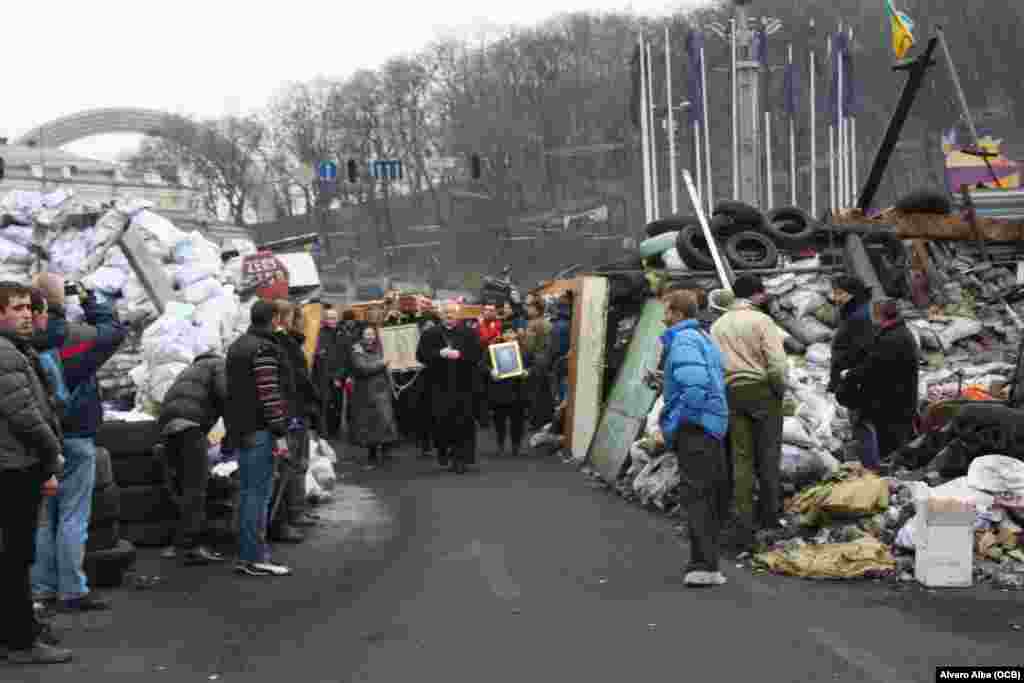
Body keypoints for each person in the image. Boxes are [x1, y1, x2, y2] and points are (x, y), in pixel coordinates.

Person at [31, 274, 129, 613]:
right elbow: (115, 331)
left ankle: (42, 588)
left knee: (44, 517)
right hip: (76, 435)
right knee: (73, 514)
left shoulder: (21, 342)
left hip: (37, 438)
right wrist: (89, 299)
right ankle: (72, 590)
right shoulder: (79, 337)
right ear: (60, 302)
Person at [0, 281, 72, 664]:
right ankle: (20, 642)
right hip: (14, 468)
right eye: (16, 308)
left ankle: (15, 633)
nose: (26, 314)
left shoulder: (15, 350)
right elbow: (25, 414)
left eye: (28, 307)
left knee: (12, 557)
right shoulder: (4, 353)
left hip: (13, 463)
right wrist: (52, 452)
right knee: (15, 558)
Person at [656, 291, 730, 587]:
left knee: (697, 496)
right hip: (711, 427)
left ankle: (702, 565)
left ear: (676, 313)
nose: (663, 316)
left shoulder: (684, 340)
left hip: (696, 428)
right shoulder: (701, 336)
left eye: (666, 310)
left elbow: (696, 385)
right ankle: (708, 564)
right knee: (709, 496)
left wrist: (678, 419)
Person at [710, 274, 787, 550]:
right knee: (767, 455)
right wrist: (779, 390)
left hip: (731, 393)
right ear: (754, 295)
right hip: (762, 390)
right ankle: (769, 516)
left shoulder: (718, 326)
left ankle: (743, 517)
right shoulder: (762, 321)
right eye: (762, 294)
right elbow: (777, 363)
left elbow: (715, 365)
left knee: (740, 457)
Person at [225, 300, 293, 577]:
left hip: (241, 430)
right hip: (260, 431)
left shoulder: (238, 346)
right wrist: (279, 432)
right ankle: (255, 557)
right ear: (274, 319)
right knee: (258, 495)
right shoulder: (263, 349)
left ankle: (246, 555)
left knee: (247, 494)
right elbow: (269, 393)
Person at [157, 350, 232, 565]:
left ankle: (177, 543)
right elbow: (226, 395)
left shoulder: (188, 370)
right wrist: (232, 436)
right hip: (190, 427)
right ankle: (192, 546)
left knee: (182, 486)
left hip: (168, 427)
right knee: (196, 488)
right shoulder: (219, 364)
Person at [270, 301, 320, 544]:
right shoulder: (283, 344)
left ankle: (296, 511)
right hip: (291, 413)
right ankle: (290, 515)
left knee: (298, 462)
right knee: (290, 465)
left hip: (296, 411)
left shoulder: (290, 342)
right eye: (296, 317)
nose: (301, 321)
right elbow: (295, 381)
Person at [846, 298, 920, 462]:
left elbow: (872, 367)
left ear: (879, 315)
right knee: (895, 436)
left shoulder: (892, 338)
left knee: (888, 440)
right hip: (899, 397)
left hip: (892, 401)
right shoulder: (897, 332)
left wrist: (850, 375)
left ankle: (888, 466)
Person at [416, 301, 484, 474]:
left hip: (463, 385)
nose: (449, 316)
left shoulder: (469, 333)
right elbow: (420, 355)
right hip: (438, 386)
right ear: (441, 314)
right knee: (441, 422)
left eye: (452, 313)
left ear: (458, 314)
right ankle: (444, 452)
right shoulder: (431, 333)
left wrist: (460, 354)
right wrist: (439, 354)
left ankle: (460, 458)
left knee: (463, 423)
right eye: (446, 313)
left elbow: (477, 355)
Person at [827, 276, 879, 471]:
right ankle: (869, 466)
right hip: (852, 378)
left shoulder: (860, 316)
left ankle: (871, 469)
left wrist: (848, 374)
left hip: (856, 380)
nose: (836, 297)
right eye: (835, 293)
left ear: (853, 294)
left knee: (862, 424)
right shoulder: (854, 313)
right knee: (860, 424)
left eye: (840, 293)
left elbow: (862, 350)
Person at [349, 325, 399, 469]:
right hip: (366, 393)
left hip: (382, 390)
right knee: (370, 424)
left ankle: (385, 451)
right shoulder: (356, 349)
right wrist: (381, 363)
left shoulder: (381, 347)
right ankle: (372, 454)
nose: (370, 336)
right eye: (367, 334)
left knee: (385, 420)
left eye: (372, 334)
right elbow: (362, 368)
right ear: (362, 335)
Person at [486, 329, 529, 457]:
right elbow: (482, 365)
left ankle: (516, 446)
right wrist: (491, 371)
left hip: (518, 390)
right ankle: (500, 445)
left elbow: (536, 364)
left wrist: (528, 371)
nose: (509, 335)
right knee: (499, 420)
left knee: (518, 421)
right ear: (502, 334)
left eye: (512, 332)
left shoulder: (524, 349)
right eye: (506, 333)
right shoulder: (493, 349)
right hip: (500, 390)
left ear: (516, 334)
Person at [311, 305, 343, 439]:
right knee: (324, 404)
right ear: (324, 319)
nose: (332, 320)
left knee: (337, 404)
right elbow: (317, 356)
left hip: (338, 376)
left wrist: (339, 376)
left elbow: (345, 357)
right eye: (329, 318)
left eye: (334, 318)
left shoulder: (343, 333)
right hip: (323, 376)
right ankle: (324, 431)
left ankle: (335, 430)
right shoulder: (319, 334)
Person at [523, 298, 553, 429]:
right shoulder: (548, 323)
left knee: (534, 392)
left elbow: (529, 346)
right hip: (546, 359)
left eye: (530, 307)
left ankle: (535, 421)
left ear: (536, 309)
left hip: (535, 360)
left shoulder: (532, 324)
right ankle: (545, 420)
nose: (527, 309)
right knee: (544, 392)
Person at [549, 291, 573, 403]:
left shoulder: (560, 324)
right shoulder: (571, 321)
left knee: (560, 390)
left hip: (560, 362)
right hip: (565, 361)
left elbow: (555, 348)